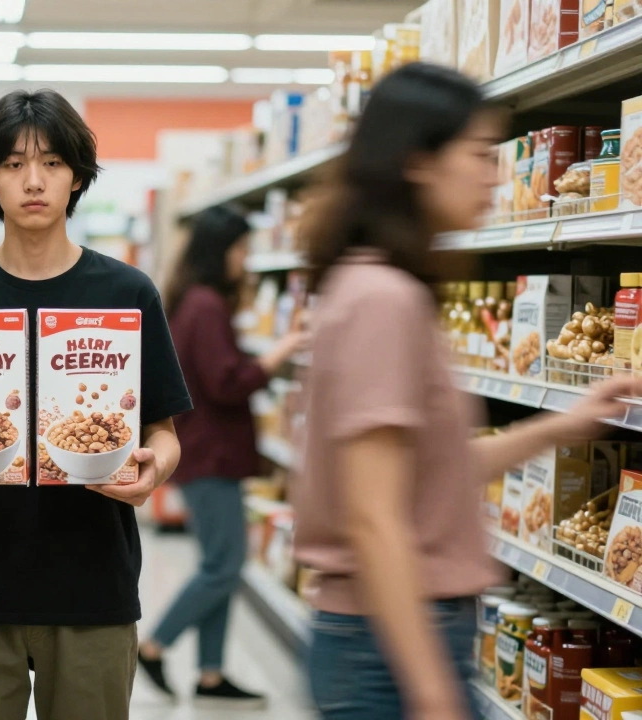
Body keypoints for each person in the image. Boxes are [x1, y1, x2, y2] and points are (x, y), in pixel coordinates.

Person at [292, 62, 640, 720]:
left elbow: (429, 476)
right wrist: (430, 692)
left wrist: (561, 426)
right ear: (419, 160)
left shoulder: (379, 287)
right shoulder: (382, 300)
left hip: (388, 636)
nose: (496, 174)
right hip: (387, 644)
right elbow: (374, 518)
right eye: (479, 154)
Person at [0, 89, 192, 720]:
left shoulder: (127, 292)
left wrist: (154, 469)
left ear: (77, 176)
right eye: (13, 164)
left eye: (51, 163)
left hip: (93, 584)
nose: (33, 182)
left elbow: (162, 430)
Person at [135, 204, 305, 707]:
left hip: (209, 455)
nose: (246, 260)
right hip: (209, 456)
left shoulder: (194, 300)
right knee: (223, 567)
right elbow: (227, 383)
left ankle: (211, 674)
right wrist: (282, 349)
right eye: (241, 249)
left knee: (219, 563)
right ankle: (154, 645)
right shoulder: (207, 305)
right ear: (221, 251)